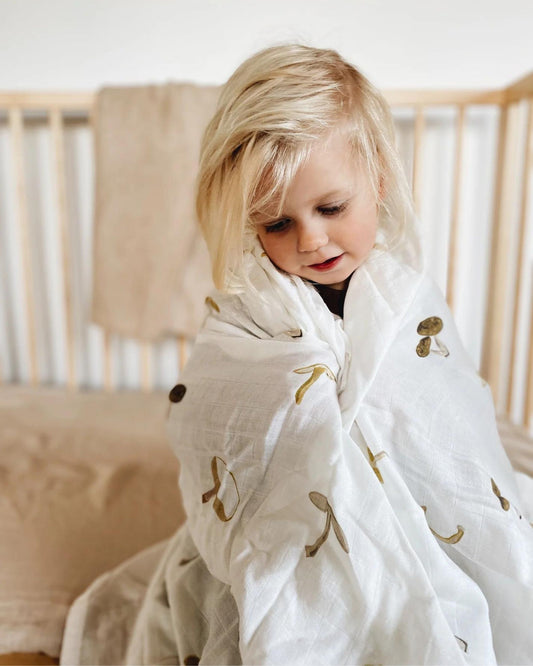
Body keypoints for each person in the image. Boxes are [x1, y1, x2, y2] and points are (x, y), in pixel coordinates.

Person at [63, 44, 533, 666]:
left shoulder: (407, 299)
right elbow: (216, 418)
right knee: (263, 597)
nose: (310, 239)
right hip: (293, 527)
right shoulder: (246, 312)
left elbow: (448, 420)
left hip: (417, 514)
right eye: (275, 225)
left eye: (331, 208)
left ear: (379, 183)